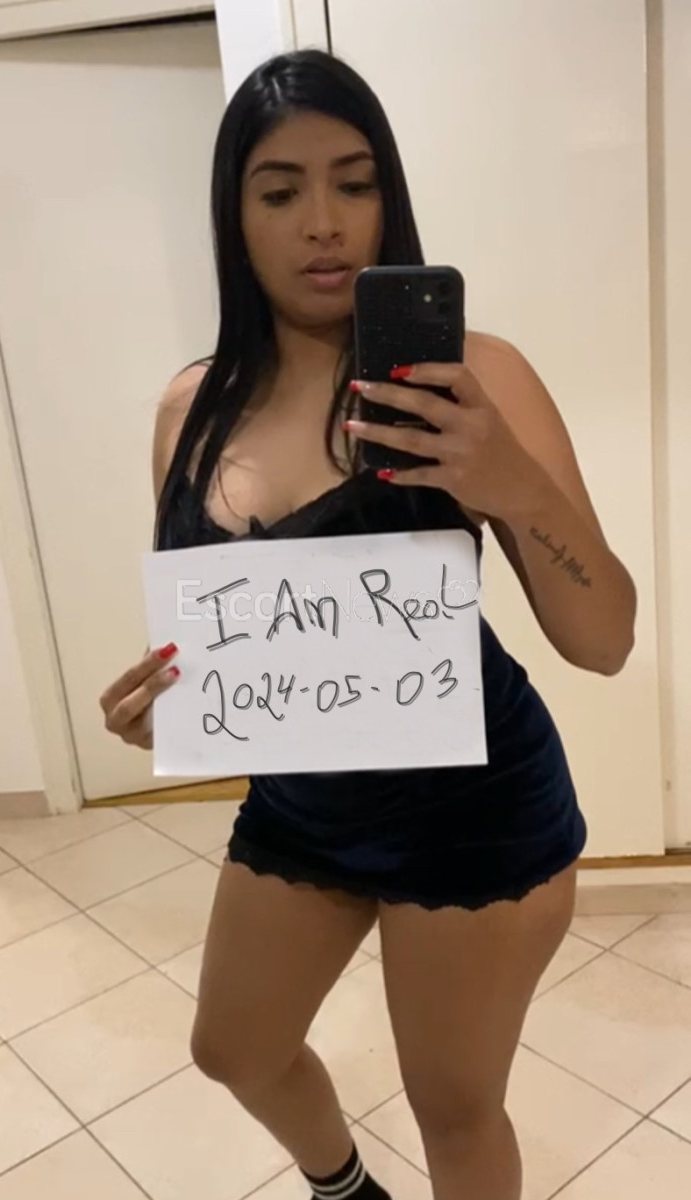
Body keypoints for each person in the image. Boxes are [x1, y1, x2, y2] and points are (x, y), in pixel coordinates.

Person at [100, 49, 636, 1200]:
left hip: (474, 813)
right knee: (232, 1048)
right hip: (304, 804)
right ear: (234, 216)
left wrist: (511, 483)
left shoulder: (472, 377)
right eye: (280, 190)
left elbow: (606, 641)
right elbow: (227, 644)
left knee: (454, 1107)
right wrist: (168, 708)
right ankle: (343, 1187)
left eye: (355, 182)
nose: (324, 222)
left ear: (390, 197)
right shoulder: (189, 409)